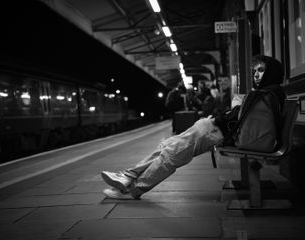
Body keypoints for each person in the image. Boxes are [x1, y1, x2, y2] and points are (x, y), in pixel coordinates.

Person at [101, 55, 286, 200]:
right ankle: (128, 176)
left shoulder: (266, 95)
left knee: (171, 156)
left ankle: (133, 190)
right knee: (167, 146)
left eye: (261, 70)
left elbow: (248, 126)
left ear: (272, 72)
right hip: (212, 127)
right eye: (255, 70)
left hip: (215, 132)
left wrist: (229, 112)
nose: (256, 74)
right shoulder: (267, 94)